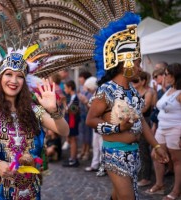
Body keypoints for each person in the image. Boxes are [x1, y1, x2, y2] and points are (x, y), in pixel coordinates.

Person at [84, 12, 169, 199]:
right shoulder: (106, 90)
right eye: (137, 63)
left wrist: (155, 146)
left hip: (134, 154)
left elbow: (142, 123)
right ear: (126, 63)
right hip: (115, 154)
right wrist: (117, 127)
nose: (139, 68)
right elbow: (90, 120)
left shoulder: (132, 90)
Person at [0, 61, 69, 199]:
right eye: (8, 74)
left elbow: (64, 131)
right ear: (0, 78)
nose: (14, 81)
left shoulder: (35, 111)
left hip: (29, 190)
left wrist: (53, 110)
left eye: (19, 76)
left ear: (24, 81)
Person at [146, 63, 181, 200]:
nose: (164, 76)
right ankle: (159, 184)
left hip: (176, 128)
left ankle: (176, 191)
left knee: (177, 160)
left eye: (166, 74)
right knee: (156, 154)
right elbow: (158, 106)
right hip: (162, 127)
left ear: (175, 75)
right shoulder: (168, 90)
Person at [131, 71, 154, 187]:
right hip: (133, 123)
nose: (133, 82)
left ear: (143, 81)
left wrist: (129, 113)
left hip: (145, 122)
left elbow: (144, 109)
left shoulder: (148, 92)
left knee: (144, 149)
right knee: (136, 149)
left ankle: (146, 177)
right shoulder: (132, 92)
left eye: (136, 80)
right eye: (133, 80)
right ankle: (138, 173)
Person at [62, 80, 80, 167]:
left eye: (65, 88)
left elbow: (73, 111)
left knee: (73, 140)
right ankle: (72, 158)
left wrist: (64, 103)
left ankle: (74, 159)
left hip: (73, 121)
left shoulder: (75, 98)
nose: (65, 90)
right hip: (70, 121)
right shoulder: (71, 97)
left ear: (70, 88)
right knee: (71, 140)